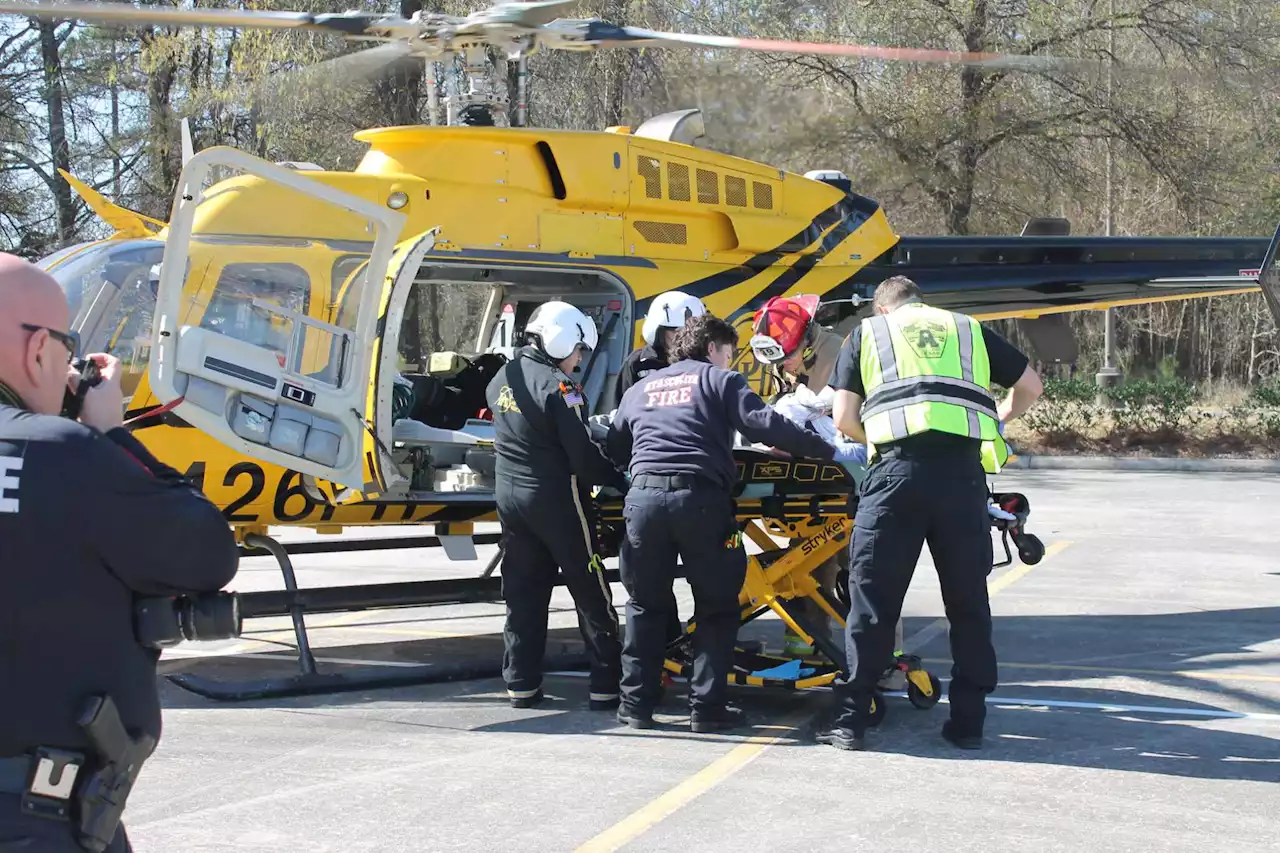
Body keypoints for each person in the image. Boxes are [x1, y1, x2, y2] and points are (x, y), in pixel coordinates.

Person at [0, 253, 240, 852]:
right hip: (34, 815)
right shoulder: (63, 454)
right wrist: (109, 433)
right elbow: (207, 551)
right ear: (36, 353)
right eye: (66, 345)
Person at [819, 275, 1043, 752]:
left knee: (874, 602)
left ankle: (851, 721)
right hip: (961, 479)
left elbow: (841, 418)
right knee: (967, 603)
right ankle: (968, 722)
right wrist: (998, 419)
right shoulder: (968, 329)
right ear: (921, 303)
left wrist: (877, 442)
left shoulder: (868, 335)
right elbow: (1031, 385)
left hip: (895, 476)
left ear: (882, 310)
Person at [607, 314, 838, 732]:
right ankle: (707, 709)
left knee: (643, 605)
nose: (731, 363)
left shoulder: (641, 388)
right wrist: (826, 451)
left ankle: (635, 706)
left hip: (641, 502)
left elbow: (617, 443)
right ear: (712, 349)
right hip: (699, 500)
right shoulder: (719, 381)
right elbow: (765, 424)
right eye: (730, 354)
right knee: (716, 607)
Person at [484, 300, 628, 711]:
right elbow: (583, 459)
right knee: (591, 592)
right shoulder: (559, 389)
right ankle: (605, 686)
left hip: (510, 500)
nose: (579, 361)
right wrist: (621, 478)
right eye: (579, 351)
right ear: (562, 340)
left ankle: (521, 684)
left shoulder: (501, 378)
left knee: (524, 594)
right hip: (557, 501)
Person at [749, 294, 876, 661]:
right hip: (813, 476)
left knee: (862, 567)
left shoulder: (839, 353)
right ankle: (807, 649)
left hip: (851, 469)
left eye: (785, 358)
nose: (783, 367)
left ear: (805, 340)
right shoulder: (789, 358)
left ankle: (876, 659)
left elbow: (840, 422)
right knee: (803, 566)